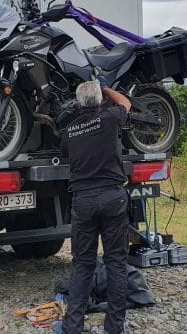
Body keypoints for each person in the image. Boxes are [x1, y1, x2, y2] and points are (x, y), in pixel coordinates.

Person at [59, 80, 132, 334]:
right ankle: (114, 328)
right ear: (101, 102)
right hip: (113, 198)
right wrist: (107, 88)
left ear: (79, 105)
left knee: (83, 265)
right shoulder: (111, 118)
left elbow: (66, 149)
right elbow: (126, 102)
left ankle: (73, 327)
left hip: (84, 201)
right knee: (116, 263)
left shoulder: (69, 133)